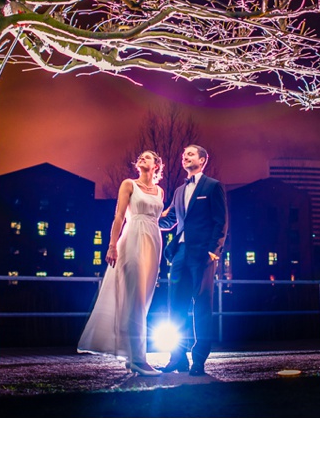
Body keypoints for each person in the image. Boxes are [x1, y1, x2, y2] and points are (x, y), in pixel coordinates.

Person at [77, 150, 164, 376]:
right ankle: (139, 360)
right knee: (134, 298)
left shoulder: (160, 191)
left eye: (148, 157)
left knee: (143, 300)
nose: (143, 159)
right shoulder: (128, 184)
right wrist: (112, 245)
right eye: (141, 157)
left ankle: (132, 355)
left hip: (154, 242)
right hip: (133, 237)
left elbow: (159, 219)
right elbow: (119, 216)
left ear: (157, 165)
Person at [158, 144, 228, 376]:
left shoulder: (213, 186)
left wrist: (213, 251)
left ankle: (199, 360)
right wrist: (148, 215)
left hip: (203, 255)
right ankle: (177, 358)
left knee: (202, 306)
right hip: (179, 254)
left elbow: (221, 221)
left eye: (190, 154)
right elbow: (170, 222)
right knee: (174, 306)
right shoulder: (179, 191)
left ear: (203, 160)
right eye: (183, 154)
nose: (185, 157)